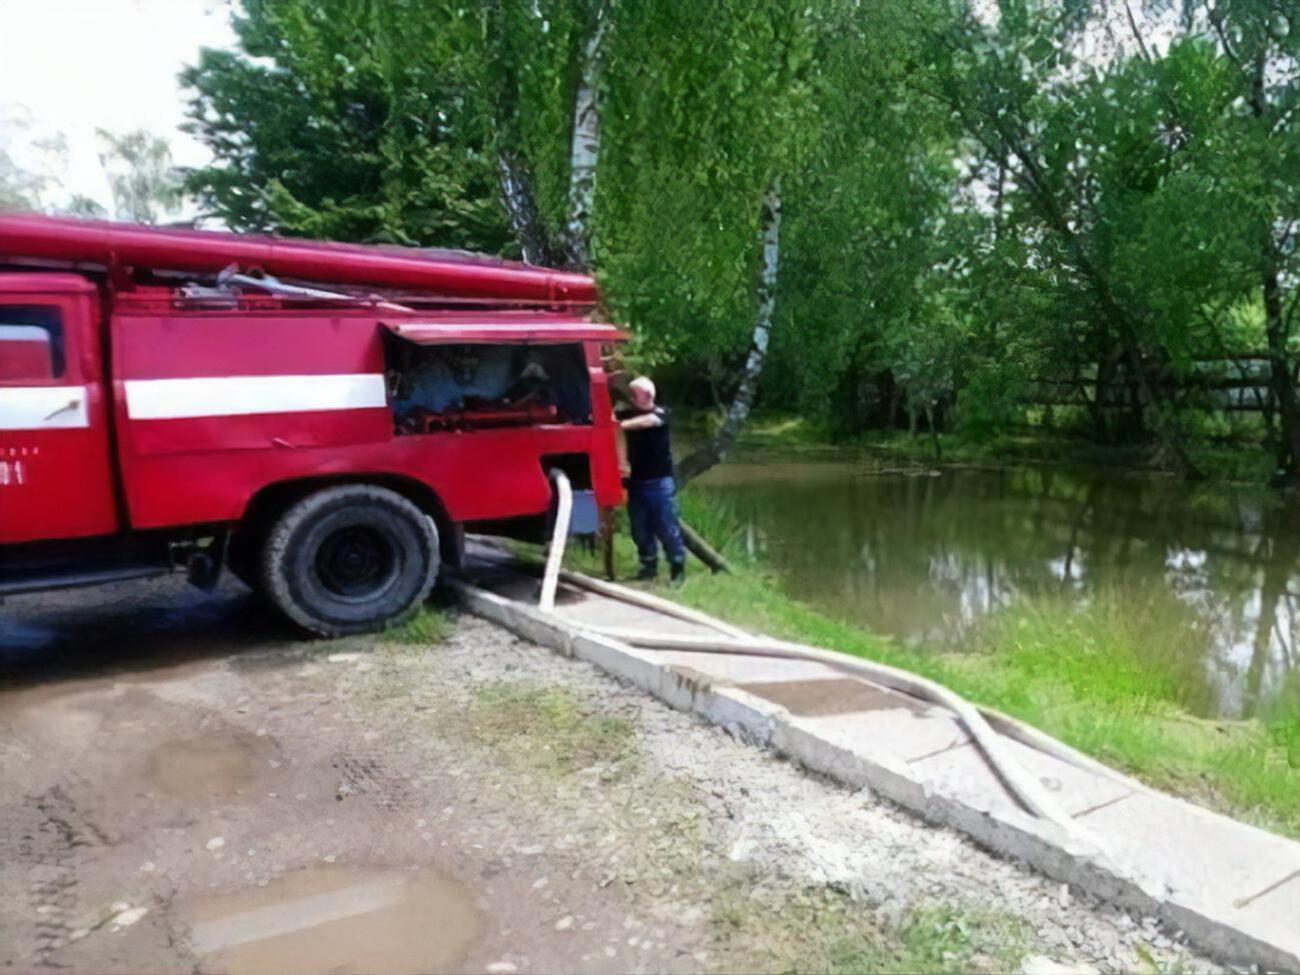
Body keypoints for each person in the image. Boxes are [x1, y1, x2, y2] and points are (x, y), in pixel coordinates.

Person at [616, 376, 686, 583]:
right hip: (635, 482)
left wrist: (620, 425)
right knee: (639, 528)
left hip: (659, 483)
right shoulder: (625, 414)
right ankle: (648, 567)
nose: (630, 398)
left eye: (633, 394)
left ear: (647, 396)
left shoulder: (662, 414)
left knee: (667, 527)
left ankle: (677, 568)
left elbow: (647, 422)